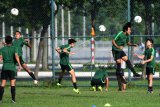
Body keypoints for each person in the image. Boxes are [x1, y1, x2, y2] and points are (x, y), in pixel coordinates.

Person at [112, 22, 141, 90]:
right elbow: (113, 41)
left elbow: (128, 43)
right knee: (119, 63)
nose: (130, 31)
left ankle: (134, 73)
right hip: (115, 50)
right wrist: (118, 46)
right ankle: (122, 79)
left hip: (120, 50)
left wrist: (133, 45)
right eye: (129, 29)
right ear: (126, 30)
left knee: (127, 59)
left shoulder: (127, 36)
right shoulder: (120, 33)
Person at [0, 36, 22, 103]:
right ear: (11, 41)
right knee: (12, 84)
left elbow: (0, 59)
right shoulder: (14, 48)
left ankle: (0, 100)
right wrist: (19, 65)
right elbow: (16, 56)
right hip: (12, 68)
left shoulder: (2, 49)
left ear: (5, 41)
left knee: (2, 84)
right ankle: (13, 100)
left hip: (5, 68)